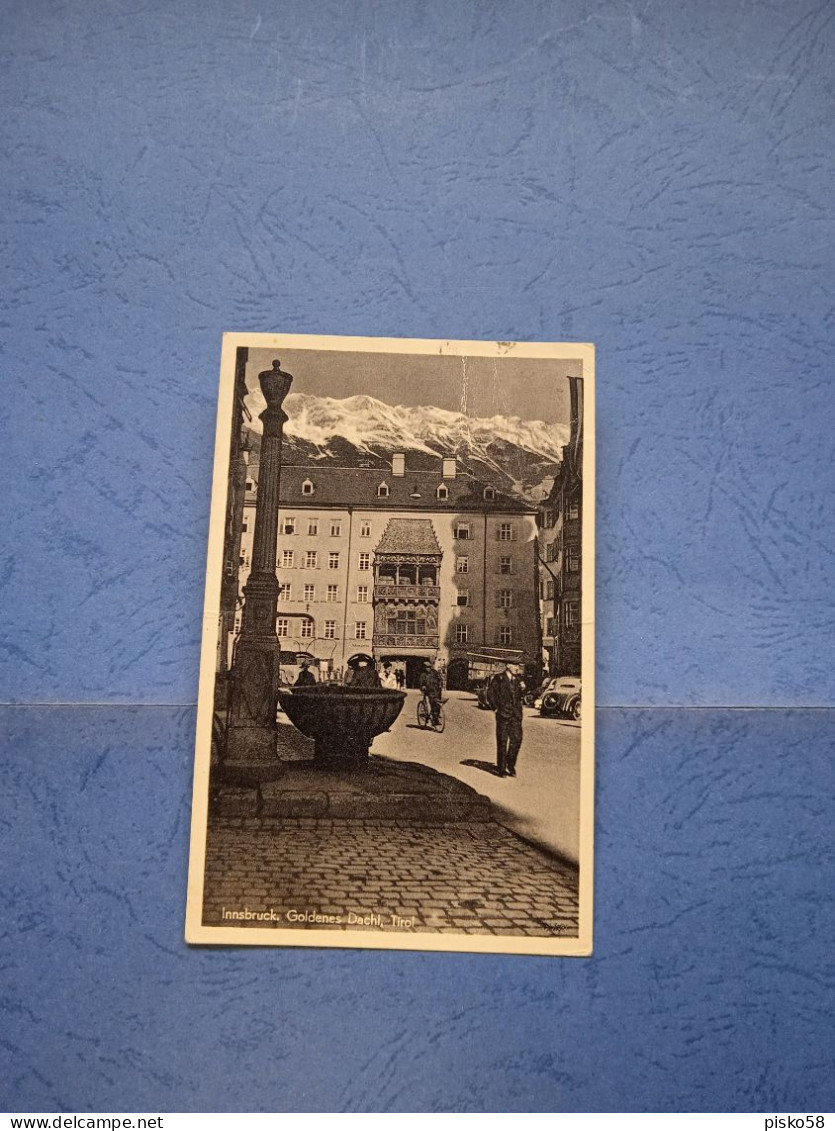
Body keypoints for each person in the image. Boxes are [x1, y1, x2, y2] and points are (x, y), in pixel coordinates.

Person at [488, 660, 525, 777]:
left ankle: (511, 764)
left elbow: (521, 697)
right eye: (515, 665)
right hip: (503, 714)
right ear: (508, 666)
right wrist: (495, 708)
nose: (517, 668)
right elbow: (490, 694)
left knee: (517, 740)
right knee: (502, 742)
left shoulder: (518, 679)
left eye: (518, 665)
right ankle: (501, 768)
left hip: (516, 715)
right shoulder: (499, 678)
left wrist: (523, 689)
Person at [418, 659, 443, 727]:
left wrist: (440, 684)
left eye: (429, 667)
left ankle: (436, 718)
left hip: (436, 690)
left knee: (437, 704)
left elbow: (439, 678)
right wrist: (423, 686)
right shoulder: (423, 675)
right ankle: (431, 717)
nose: (428, 668)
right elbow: (420, 683)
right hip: (428, 691)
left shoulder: (434, 672)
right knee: (432, 704)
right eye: (426, 667)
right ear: (424, 668)